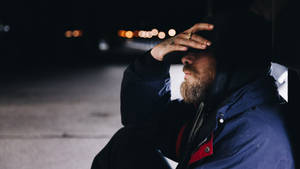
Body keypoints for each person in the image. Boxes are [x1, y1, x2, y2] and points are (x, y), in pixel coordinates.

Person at [91, 10, 295, 169]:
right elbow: (142, 122)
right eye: (190, 49)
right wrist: (154, 58)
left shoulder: (253, 135)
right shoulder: (221, 109)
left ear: (231, 60)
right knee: (127, 144)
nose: (185, 58)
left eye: (201, 50)